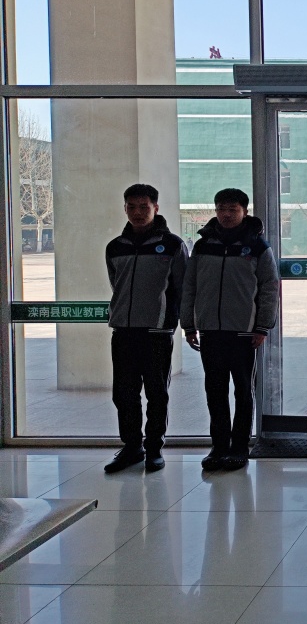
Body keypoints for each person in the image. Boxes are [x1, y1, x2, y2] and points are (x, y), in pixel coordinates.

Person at [180, 189, 279, 471]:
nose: (226, 214)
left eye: (232, 209)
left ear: (245, 212)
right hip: (210, 331)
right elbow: (190, 286)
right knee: (215, 390)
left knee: (243, 391)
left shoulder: (257, 247)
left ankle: (239, 447)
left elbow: (270, 288)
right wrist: (189, 324)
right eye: (221, 209)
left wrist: (262, 326)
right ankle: (219, 447)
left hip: (244, 333)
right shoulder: (203, 246)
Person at [103, 184, 189, 474]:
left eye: (144, 207)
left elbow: (182, 288)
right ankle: (132, 447)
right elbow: (117, 284)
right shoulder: (115, 247)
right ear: (125, 208)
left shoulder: (173, 245)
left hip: (157, 333)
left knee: (156, 393)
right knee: (124, 394)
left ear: (156, 208)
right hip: (123, 332)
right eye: (132, 207)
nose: (137, 212)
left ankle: (154, 449)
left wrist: (177, 322)